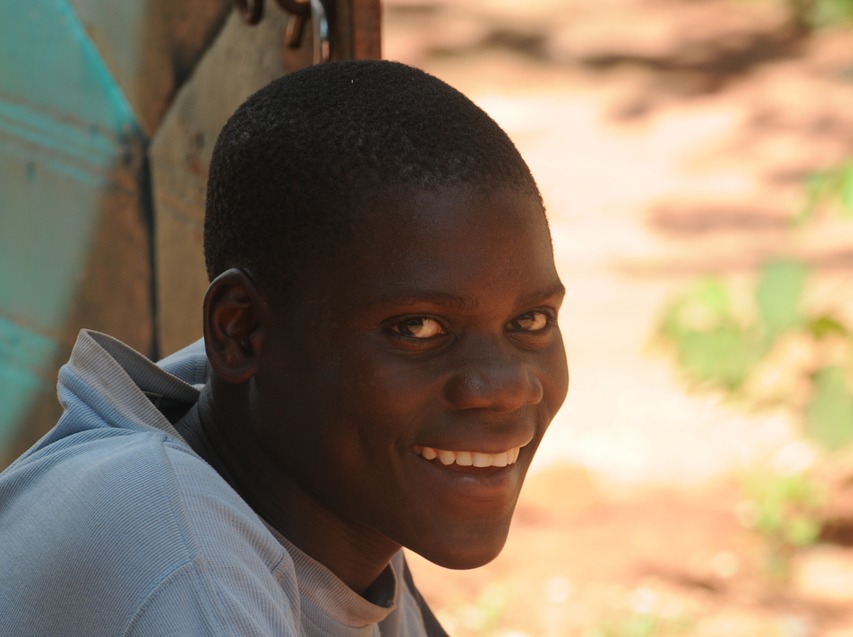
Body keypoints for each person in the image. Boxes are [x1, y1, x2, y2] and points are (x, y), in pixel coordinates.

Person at [0, 60, 568, 636]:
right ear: (239, 332)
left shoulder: (336, 498)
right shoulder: (179, 559)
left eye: (531, 320)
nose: (505, 387)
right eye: (417, 328)